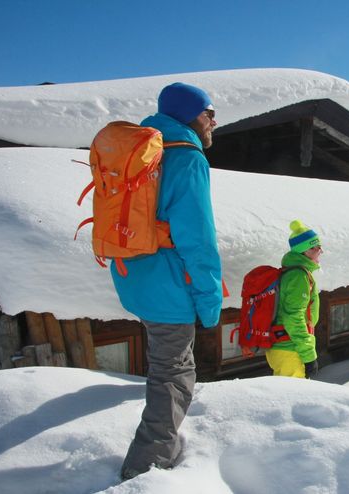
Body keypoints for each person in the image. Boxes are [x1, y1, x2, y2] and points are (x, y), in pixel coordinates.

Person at [115, 82, 223, 480]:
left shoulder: (144, 149)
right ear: (189, 114)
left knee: (163, 362)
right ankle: (146, 469)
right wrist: (210, 304)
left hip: (134, 276)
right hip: (168, 286)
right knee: (173, 375)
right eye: (208, 111)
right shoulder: (187, 157)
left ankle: (155, 455)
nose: (214, 119)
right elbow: (198, 242)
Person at [266, 220, 322, 378]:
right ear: (303, 251)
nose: (320, 251)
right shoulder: (298, 276)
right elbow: (293, 316)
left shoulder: (294, 272)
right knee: (290, 400)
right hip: (290, 350)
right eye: (314, 247)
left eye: (319, 246)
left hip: (285, 347)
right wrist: (309, 355)